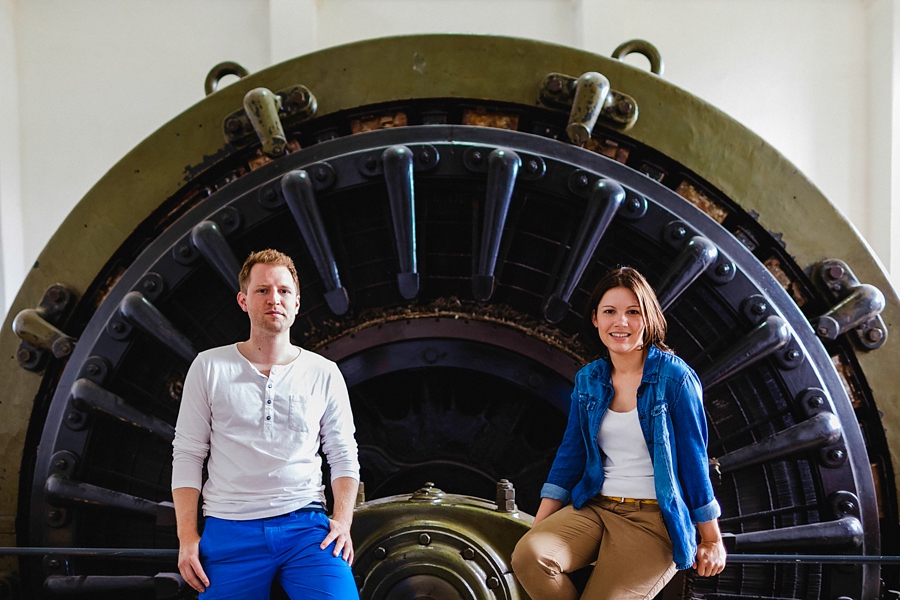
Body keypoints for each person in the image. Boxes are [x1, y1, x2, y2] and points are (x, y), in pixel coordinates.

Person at [511, 267, 726, 599]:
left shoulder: (675, 378)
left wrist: (711, 538)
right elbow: (570, 455)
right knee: (530, 556)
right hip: (596, 508)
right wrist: (539, 527)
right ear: (596, 319)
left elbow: (693, 461)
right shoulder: (590, 379)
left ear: (648, 318)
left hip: (654, 522)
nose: (620, 322)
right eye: (609, 312)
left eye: (632, 312)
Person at [171, 249, 360, 599]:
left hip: (307, 529)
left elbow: (343, 453)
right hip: (229, 532)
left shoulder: (324, 373)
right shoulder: (209, 367)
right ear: (243, 301)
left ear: (297, 302)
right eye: (262, 290)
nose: (274, 299)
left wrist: (343, 521)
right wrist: (187, 538)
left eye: (284, 291)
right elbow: (187, 455)